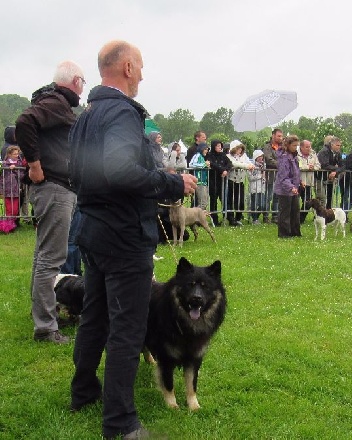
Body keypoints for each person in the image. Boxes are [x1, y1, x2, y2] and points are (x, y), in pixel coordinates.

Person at [69, 40, 197, 439]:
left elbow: (77, 171)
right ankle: (120, 422)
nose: (142, 74)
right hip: (122, 235)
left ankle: (84, 390)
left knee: (95, 314)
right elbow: (121, 171)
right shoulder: (122, 113)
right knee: (127, 326)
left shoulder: (87, 113)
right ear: (126, 67)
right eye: (140, 67)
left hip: (91, 227)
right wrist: (174, 181)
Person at [15, 60, 85, 344]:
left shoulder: (56, 103)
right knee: (50, 259)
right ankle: (45, 326)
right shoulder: (55, 102)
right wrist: (34, 164)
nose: (83, 88)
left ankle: (44, 314)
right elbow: (24, 122)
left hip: (55, 187)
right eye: (83, 81)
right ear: (75, 80)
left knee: (43, 257)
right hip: (54, 187)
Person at [274, 134, 301, 238]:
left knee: (295, 210)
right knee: (285, 212)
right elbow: (283, 176)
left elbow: (295, 172)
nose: (295, 148)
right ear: (288, 145)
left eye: (296, 145)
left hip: (293, 187)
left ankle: (295, 232)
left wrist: (299, 181)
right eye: (294, 145)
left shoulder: (294, 157)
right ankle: (284, 233)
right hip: (284, 189)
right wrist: (291, 187)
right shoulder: (284, 158)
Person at [227, 140, 253, 226]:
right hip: (231, 180)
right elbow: (234, 164)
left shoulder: (244, 156)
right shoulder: (228, 156)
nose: (240, 150)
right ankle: (231, 218)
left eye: (241, 148)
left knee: (241, 201)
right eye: (238, 148)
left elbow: (248, 162)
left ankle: (238, 217)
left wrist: (251, 165)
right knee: (230, 200)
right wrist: (246, 165)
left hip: (241, 180)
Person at [206, 140, 231, 226]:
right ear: (213, 147)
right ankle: (214, 219)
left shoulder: (223, 155)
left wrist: (226, 170)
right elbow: (212, 164)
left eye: (220, 146)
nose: (219, 147)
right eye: (217, 146)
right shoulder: (209, 155)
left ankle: (229, 217)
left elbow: (229, 163)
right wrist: (222, 170)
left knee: (224, 199)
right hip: (213, 180)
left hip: (221, 181)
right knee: (213, 200)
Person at [296, 139, 320, 223]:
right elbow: (297, 165)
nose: (309, 148)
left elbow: (318, 165)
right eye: (307, 147)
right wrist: (307, 167)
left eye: (310, 146)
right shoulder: (296, 154)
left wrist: (313, 167)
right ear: (301, 147)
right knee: (295, 201)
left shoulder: (313, 154)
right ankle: (294, 218)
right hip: (298, 181)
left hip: (309, 182)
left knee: (308, 202)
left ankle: (300, 219)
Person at [316, 135, 343, 209]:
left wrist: (335, 172)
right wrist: (335, 169)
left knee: (330, 198)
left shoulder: (338, 153)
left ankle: (327, 216)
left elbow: (343, 166)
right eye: (337, 145)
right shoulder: (324, 151)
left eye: (340, 145)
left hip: (331, 178)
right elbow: (325, 165)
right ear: (332, 144)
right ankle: (319, 216)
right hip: (321, 177)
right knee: (322, 198)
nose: (339, 147)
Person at [263, 128, 283, 222]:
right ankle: (266, 216)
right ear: (273, 135)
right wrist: (280, 164)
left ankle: (275, 216)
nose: (280, 138)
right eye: (278, 136)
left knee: (277, 197)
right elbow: (268, 159)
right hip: (270, 175)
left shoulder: (282, 147)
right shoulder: (267, 146)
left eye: (281, 136)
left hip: (280, 176)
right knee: (268, 196)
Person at [2, 146, 25, 226]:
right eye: (14, 154)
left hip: (16, 190)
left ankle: (12, 223)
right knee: (9, 209)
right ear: (9, 154)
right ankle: (8, 226)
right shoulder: (4, 164)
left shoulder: (19, 163)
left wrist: (15, 169)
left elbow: (21, 176)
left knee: (15, 210)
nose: (17, 155)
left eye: (17, 154)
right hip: (7, 190)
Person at [189, 143, 210, 211]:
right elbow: (191, 164)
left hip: (203, 182)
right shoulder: (197, 155)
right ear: (201, 149)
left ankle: (196, 218)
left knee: (205, 202)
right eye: (205, 149)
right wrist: (204, 164)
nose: (207, 151)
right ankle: (194, 217)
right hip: (199, 182)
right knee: (203, 203)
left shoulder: (201, 157)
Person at [248, 150, 266, 224]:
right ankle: (254, 218)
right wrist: (260, 176)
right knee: (254, 204)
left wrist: (264, 178)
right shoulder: (251, 165)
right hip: (254, 187)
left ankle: (256, 216)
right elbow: (250, 177)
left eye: (261, 156)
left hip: (262, 187)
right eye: (259, 156)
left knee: (262, 205)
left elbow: (264, 175)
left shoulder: (264, 165)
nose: (260, 158)